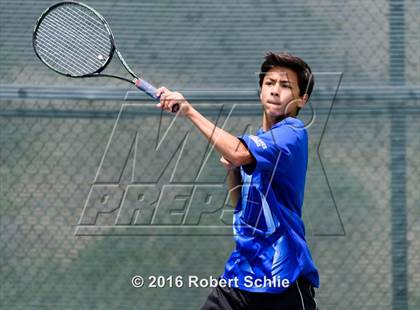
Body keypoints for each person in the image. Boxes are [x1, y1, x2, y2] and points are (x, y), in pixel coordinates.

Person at [156, 52, 319, 310]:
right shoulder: (257, 142)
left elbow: (237, 151)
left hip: (284, 280)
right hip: (241, 277)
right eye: (270, 83)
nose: (276, 91)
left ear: (302, 99)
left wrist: (188, 110)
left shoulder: (292, 133)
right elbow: (241, 206)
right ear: (261, 90)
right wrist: (233, 172)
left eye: (286, 86)